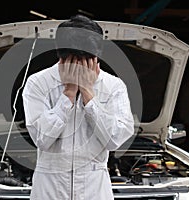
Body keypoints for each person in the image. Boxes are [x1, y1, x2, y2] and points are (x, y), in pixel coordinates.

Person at [22, 14, 134, 200]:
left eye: (88, 60)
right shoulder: (38, 83)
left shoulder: (114, 86)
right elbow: (42, 138)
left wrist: (88, 94)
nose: (81, 67)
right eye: (75, 61)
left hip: (94, 186)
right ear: (62, 56)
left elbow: (115, 139)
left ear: (97, 57)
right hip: (50, 186)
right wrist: (69, 93)